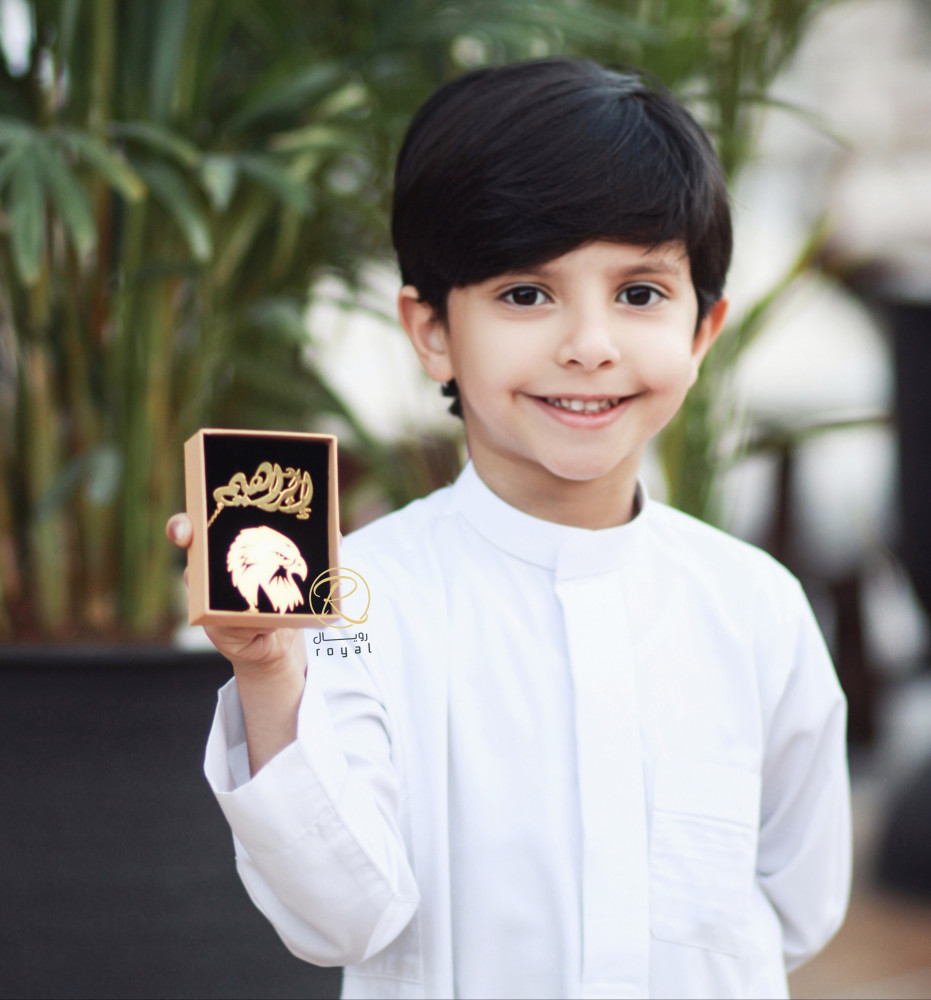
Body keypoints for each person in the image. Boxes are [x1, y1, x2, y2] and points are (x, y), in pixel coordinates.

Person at [167, 58, 851, 1000]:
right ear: (432, 331)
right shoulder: (353, 597)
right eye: (526, 294)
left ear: (702, 329)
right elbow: (340, 919)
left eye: (639, 293)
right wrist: (268, 672)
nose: (589, 345)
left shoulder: (753, 605)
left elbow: (793, 905)